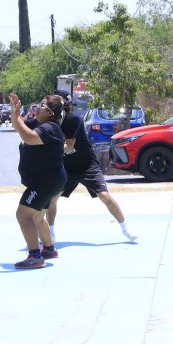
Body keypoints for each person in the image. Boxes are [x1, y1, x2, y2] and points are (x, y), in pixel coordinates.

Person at [49, 90, 137, 243]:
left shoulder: (73, 119)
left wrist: (47, 150)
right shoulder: (50, 122)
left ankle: (126, 229)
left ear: (65, 103)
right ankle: (50, 233)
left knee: (105, 196)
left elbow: (68, 147)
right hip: (67, 167)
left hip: (87, 165)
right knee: (51, 199)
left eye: (58, 100)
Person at [9, 92, 67, 269]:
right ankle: (48, 249)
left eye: (42, 106)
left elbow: (28, 137)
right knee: (37, 216)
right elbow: (19, 127)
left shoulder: (50, 128)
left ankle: (35, 256)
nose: (37, 107)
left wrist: (17, 115)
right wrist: (15, 112)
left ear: (50, 113)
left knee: (23, 215)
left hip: (45, 181)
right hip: (50, 180)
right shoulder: (40, 123)